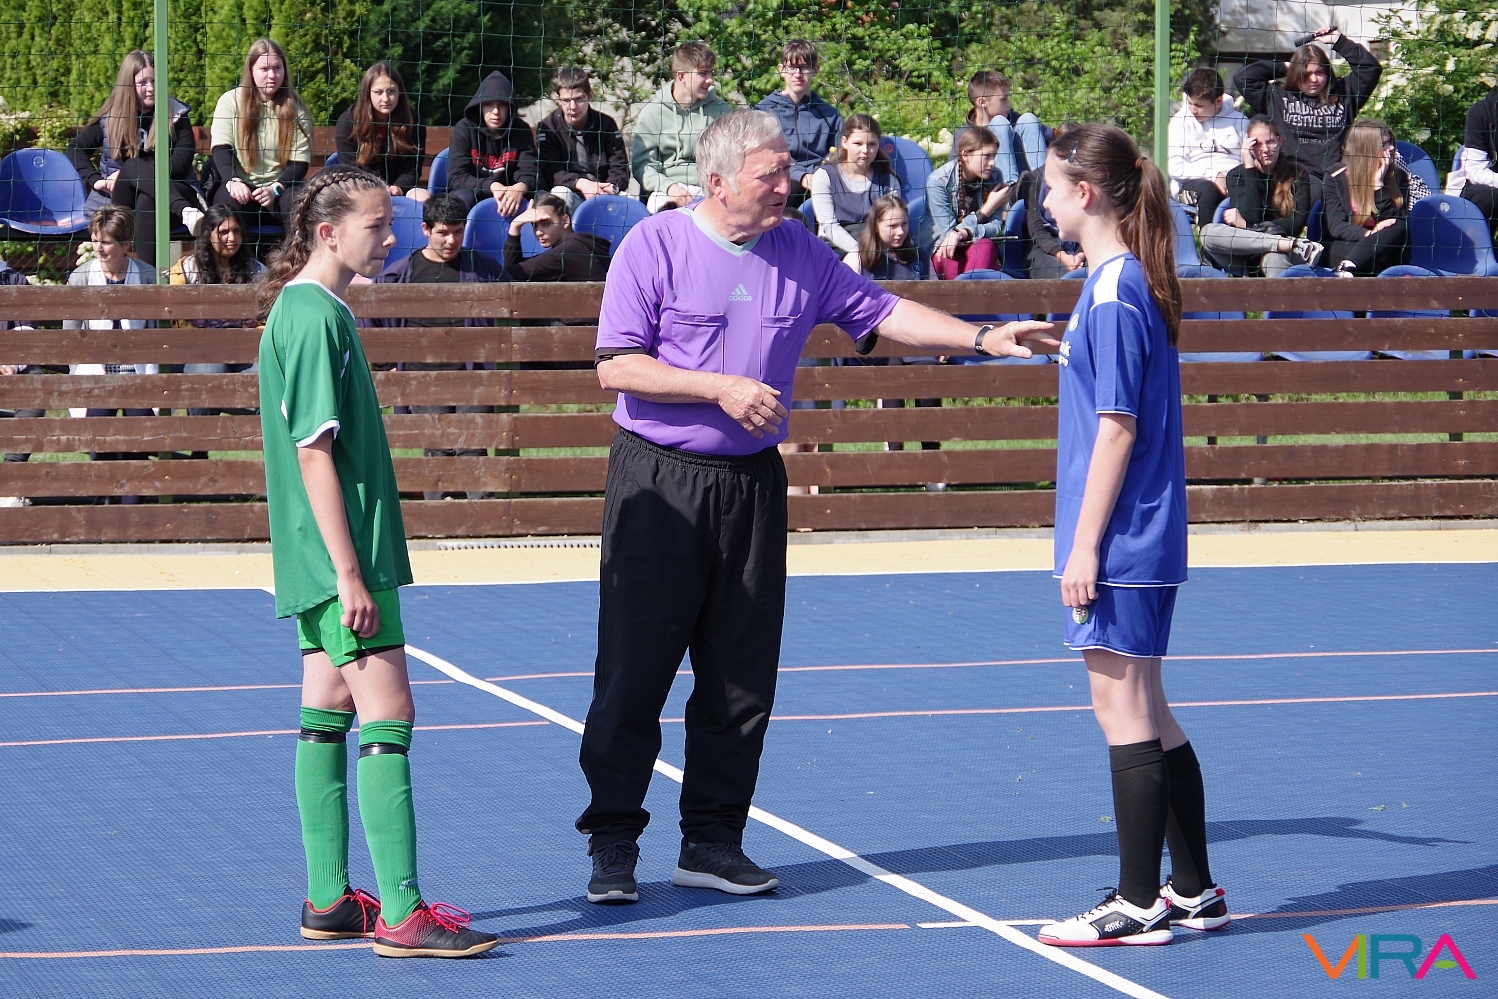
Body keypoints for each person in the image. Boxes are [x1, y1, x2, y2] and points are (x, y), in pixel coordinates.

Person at [580, 108, 1054, 905]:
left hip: (751, 488)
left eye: (788, 171)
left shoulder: (800, 250)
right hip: (658, 483)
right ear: (718, 180)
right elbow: (617, 367)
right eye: (770, 173)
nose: (788, 184)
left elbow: (884, 312)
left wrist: (982, 338)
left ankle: (712, 841)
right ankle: (614, 840)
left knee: (740, 676)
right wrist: (720, 387)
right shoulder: (652, 246)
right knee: (634, 670)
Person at [255, 166, 499, 958]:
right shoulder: (313, 315)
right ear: (329, 233)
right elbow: (314, 452)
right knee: (390, 717)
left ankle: (328, 898)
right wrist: (350, 572)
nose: (392, 237)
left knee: (325, 712)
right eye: (377, 225)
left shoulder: (309, 309)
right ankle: (402, 912)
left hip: (316, 559)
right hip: (341, 558)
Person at [1033, 123, 1226, 948]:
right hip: (1141, 533)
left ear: (1085, 193)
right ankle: (1194, 889)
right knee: (1148, 707)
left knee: (1120, 706)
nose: (1045, 202)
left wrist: (1084, 546)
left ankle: (1139, 900)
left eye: (1051, 188)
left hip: (1120, 537)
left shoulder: (1114, 292)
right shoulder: (1120, 282)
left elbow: (1116, 428)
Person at [371, 193, 507, 500]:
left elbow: (512, 304)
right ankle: (438, 514)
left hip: (472, 373)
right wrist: (386, 365)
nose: (451, 240)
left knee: (473, 443)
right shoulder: (399, 275)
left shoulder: (483, 269)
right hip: (422, 375)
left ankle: (481, 512)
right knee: (436, 445)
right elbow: (371, 316)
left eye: (458, 232)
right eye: (443, 232)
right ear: (426, 229)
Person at [66, 49, 203, 267]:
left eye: (155, 81)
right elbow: (75, 149)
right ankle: (185, 212)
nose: (151, 88)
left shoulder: (176, 115)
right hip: (122, 200)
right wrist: (96, 180)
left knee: (145, 196)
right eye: (143, 83)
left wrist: (133, 171)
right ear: (128, 85)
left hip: (174, 191)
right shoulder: (111, 117)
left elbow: (179, 165)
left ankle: (148, 279)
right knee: (132, 169)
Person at [65, 206, 157, 502]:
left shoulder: (146, 275)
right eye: (95, 240)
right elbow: (71, 333)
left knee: (138, 444)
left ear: (125, 245)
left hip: (136, 373)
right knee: (99, 441)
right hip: (97, 374)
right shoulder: (81, 277)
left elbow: (155, 330)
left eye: (106, 242)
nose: (99, 248)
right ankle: (105, 507)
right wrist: (77, 374)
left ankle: (134, 509)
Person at [1234, 26, 1382, 206]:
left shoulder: (1345, 93)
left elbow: (1371, 69)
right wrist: (1286, 67)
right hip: (1294, 176)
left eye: (1319, 72)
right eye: (1305, 74)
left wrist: (1339, 42)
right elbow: (1244, 78)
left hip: (1337, 174)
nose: (1313, 79)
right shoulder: (1276, 96)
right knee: (1316, 193)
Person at [210, 38, 313, 233]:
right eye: (264, 69)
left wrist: (276, 188)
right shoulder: (229, 102)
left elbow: (299, 162)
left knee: (300, 207)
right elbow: (221, 148)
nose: (272, 75)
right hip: (241, 187)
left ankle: (296, 254)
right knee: (225, 211)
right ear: (251, 70)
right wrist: (233, 181)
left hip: (280, 190)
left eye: (277, 68)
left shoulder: (297, 109)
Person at [1200, 117, 1321, 276]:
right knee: (1208, 232)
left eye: (1270, 142)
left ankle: (1285, 251)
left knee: (1274, 259)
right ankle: (1292, 244)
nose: (1265, 149)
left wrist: (1248, 227)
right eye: (1257, 144)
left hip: (1281, 252)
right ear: (1248, 145)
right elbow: (1251, 214)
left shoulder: (1298, 174)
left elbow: (1295, 224)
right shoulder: (1236, 175)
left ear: (1280, 141)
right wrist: (1249, 166)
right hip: (1246, 250)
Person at [632, 41, 733, 213]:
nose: (710, 80)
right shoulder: (652, 114)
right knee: (660, 207)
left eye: (710, 73)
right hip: (667, 188)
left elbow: (730, 159)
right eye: (702, 74)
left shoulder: (721, 111)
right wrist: (669, 187)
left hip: (710, 187)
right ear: (681, 76)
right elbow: (644, 166)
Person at [755, 40, 843, 204]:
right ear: (781, 70)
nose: (797, 74)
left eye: (804, 67)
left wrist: (821, 173)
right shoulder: (764, 112)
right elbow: (761, 156)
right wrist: (800, 175)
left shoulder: (830, 114)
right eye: (792, 67)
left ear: (815, 70)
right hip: (779, 179)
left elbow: (841, 152)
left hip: (822, 179)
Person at [1323, 120, 1413, 277]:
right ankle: (1349, 266)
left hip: (1386, 248)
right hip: (1350, 243)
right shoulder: (1335, 176)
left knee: (1398, 227)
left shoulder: (1399, 177)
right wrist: (1368, 235)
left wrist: (1378, 186)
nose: (1391, 148)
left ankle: (1348, 267)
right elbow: (1337, 225)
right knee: (1367, 261)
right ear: (1366, 149)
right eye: (1384, 144)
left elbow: (1398, 223)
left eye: (1391, 142)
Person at [536, 67, 630, 215]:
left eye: (579, 99)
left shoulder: (606, 124)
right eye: (566, 100)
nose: (572, 107)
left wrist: (611, 187)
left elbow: (620, 167)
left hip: (603, 192)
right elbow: (550, 171)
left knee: (630, 203)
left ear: (590, 96)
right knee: (560, 194)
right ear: (558, 99)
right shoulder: (548, 127)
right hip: (570, 190)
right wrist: (580, 183)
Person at [446, 71, 538, 215]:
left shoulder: (521, 130)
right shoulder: (464, 129)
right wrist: (491, 186)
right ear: (480, 106)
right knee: (460, 198)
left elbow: (531, 171)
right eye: (489, 104)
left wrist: (520, 187)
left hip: (513, 194)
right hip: (474, 193)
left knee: (544, 199)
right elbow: (456, 177)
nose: (496, 111)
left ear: (510, 107)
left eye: (502, 104)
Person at [335, 63, 428, 203]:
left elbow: (412, 169)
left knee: (423, 197)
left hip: (400, 191)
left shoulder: (414, 122)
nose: (385, 99)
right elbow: (350, 169)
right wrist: (378, 188)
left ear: (400, 92)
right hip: (361, 190)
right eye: (378, 92)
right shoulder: (348, 122)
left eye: (391, 91)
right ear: (367, 93)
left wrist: (398, 187)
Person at [1166, 68, 1247, 225]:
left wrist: (1230, 180)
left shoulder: (1240, 122)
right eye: (1190, 103)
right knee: (1209, 190)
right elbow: (1176, 167)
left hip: (1233, 182)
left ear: (1218, 101)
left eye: (1199, 105)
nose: (1193, 110)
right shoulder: (1180, 122)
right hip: (1193, 184)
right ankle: (1207, 238)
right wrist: (1214, 176)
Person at [927, 127, 1009, 279]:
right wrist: (986, 210)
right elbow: (949, 235)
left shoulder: (995, 176)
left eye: (994, 156)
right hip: (945, 250)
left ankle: (972, 289)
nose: (992, 163)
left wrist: (965, 232)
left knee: (985, 246)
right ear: (965, 155)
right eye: (986, 156)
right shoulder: (938, 181)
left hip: (978, 248)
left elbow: (995, 227)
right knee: (982, 269)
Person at [810, 115, 899, 255]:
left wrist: (874, 252)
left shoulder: (888, 180)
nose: (865, 150)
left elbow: (892, 223)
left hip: (877, 248)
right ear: (844, 142)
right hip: (834, 249)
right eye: (858, 144)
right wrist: (859, 252)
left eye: (872, 144)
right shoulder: (824, 176)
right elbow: (829, 226)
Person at [1011, 122, 1087, 278]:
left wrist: (1080, 254)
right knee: (1062, 276)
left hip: (1084, 248)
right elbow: (1037, 229)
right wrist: (1062, 256)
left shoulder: (1086, 180)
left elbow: (1090, 223)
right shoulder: (1034, 179)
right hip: (1045, 250)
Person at [951, 70, 1050, 185]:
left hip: (1031, 182)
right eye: (1003, 99)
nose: (1009, 104)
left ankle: (1044, 183)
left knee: (1029, 118)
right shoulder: (964, 134)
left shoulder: (1017, 120)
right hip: (991, 186)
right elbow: (955, 175)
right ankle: (1011, 187)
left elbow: (1051, 135)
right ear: (982, 102)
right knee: (1000, 123)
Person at [505, 192, 611, 281]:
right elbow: (514, 272)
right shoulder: (575, 246)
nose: (538, 232)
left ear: (565, 221)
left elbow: (508, 275)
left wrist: (514, 225)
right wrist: (515, 227)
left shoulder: (570, 250)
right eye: (534, 225)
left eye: (546, 224)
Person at [0, 262, 39, 504]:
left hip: (11, 365)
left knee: (36, 389)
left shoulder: (15, 281)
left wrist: (12, 362)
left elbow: (26, 331)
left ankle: (8, 480)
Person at [843, 193, 918, 280]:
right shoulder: (856, 260)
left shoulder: (920, 255)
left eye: (904, 224)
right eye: (893, 226)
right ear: (876, 226)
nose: (900, 232)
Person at [1458, 85, 1498, 229]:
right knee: (1486, 198)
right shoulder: (1481, 112)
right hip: (1489, 184)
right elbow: (1475, 171)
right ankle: (1479, 243)